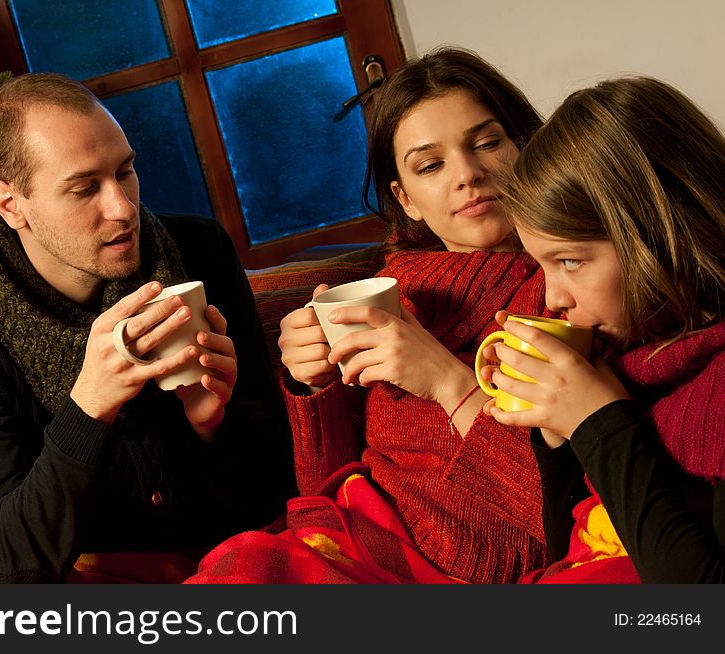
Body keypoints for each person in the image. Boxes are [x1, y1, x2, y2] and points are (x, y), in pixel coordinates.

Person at [186, 47, 551, 584]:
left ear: (527, 147)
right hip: (354, 539)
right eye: (431, 165)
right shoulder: (389, 292)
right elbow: (321, 489)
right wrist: (316, 387)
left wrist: (448, 382)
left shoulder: (569, 287)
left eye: (487, 142)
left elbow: (558, 515)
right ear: (407, 199)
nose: (468, 175)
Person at [0, 73, 296, 583]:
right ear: (10, 205)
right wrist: (89, 406)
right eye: (84, 187)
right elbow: (10, 564)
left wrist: (211, 429)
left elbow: (277, 487)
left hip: (234, 561)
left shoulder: (200, 252)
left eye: (126, 171)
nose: (123, 207)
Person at [482, 76, 725, 583]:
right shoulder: (637, 356)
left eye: (570, 260)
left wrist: (601, 423)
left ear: (664, 234)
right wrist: (557, 433)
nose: (553, 298)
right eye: (542, 266)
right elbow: (576, 556)